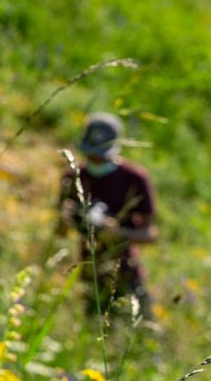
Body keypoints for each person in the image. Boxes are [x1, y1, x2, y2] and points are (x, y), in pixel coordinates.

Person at [57, 112, 158, 320]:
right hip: (89, 272)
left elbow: (150, 234)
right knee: (95, 330)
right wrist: (67, 219)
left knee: (141, 333)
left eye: (101, 154)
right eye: (91, 154)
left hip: (127, 272)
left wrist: (117, 232)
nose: (96, 159)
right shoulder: (72, 177)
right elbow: (60, 231)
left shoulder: (134, 178)